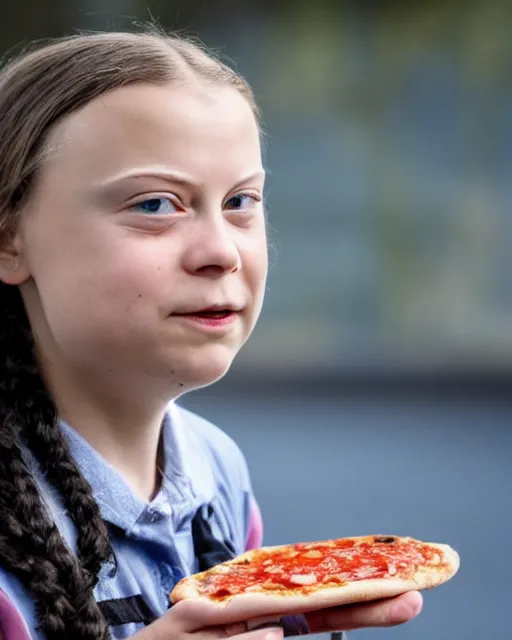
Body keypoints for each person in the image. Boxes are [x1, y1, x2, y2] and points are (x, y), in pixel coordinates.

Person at [0, 30, 423, 640]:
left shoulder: (217, 470)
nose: (221, 252)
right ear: (9, 237)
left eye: (241, 201)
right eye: (154, 205)